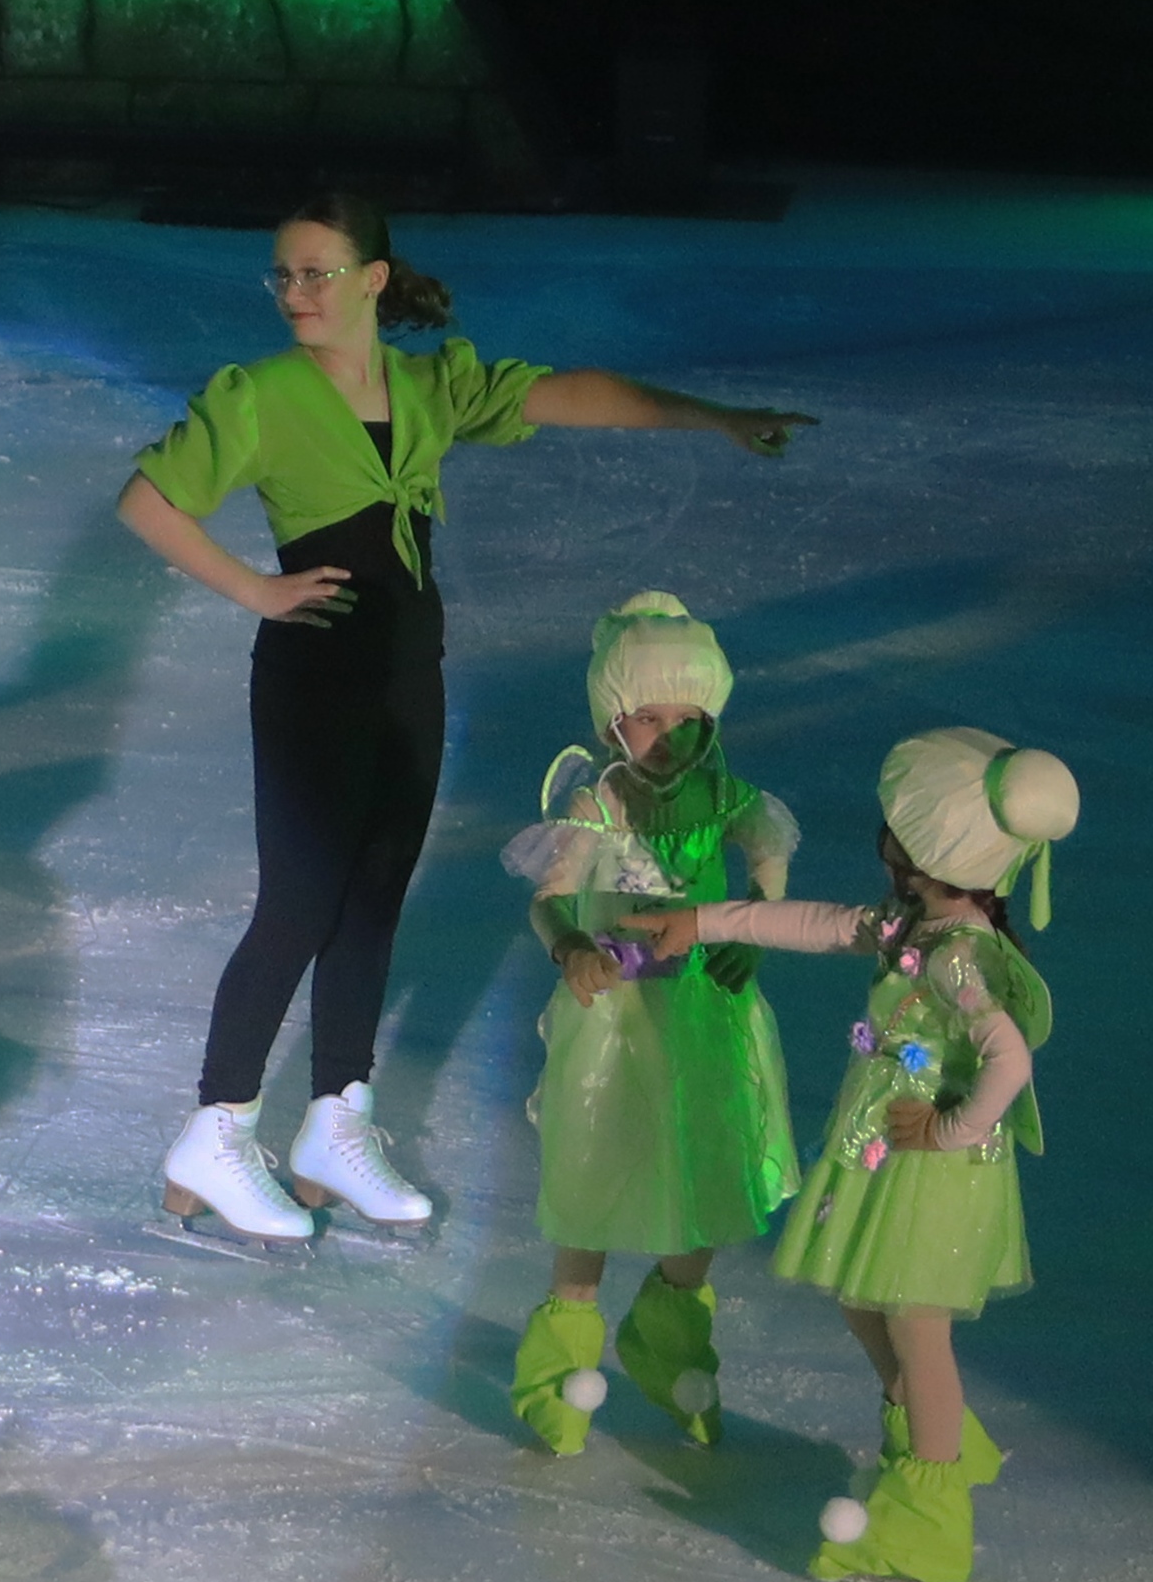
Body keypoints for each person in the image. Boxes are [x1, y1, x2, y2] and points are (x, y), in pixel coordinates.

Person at [116, 191, 806, 1248]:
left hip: (407, 677)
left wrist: (708, 416)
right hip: (312, 681)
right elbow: (148, 500)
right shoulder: (258, 394)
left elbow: (573, 394)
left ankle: (334, 1122)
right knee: (297, 906)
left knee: (373, 904)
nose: (296, 293)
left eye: (317, 273)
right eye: (284, 275)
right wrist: (255, 591)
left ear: (373, 280)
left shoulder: (430, 388)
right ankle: (216, 1127)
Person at [646, 726, 1072, 1582]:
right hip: (884, 1149)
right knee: (861, 1298)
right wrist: (699, 921)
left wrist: (952, 1130)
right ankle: (932, 1431)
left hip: (933, 1168)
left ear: (917, 844)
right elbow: (817, 923)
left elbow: (1010, 1059)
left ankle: (930, 1517)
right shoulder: (916, 924)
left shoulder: (955, 957)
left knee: (918, 1327)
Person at [494, 595, 799, 1455]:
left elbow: (768, 845)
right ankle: (559, 1362)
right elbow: (550, 902)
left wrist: (757, 926)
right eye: (647, 717)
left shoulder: (724, 795)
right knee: (595, 1178)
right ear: (613, 722)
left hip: (703, 1009)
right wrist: (572, 951)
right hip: (614, 1019)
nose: (668, 735)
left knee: (704, 1173)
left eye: (686, 717)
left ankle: (668, 1336)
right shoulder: (600, 805)